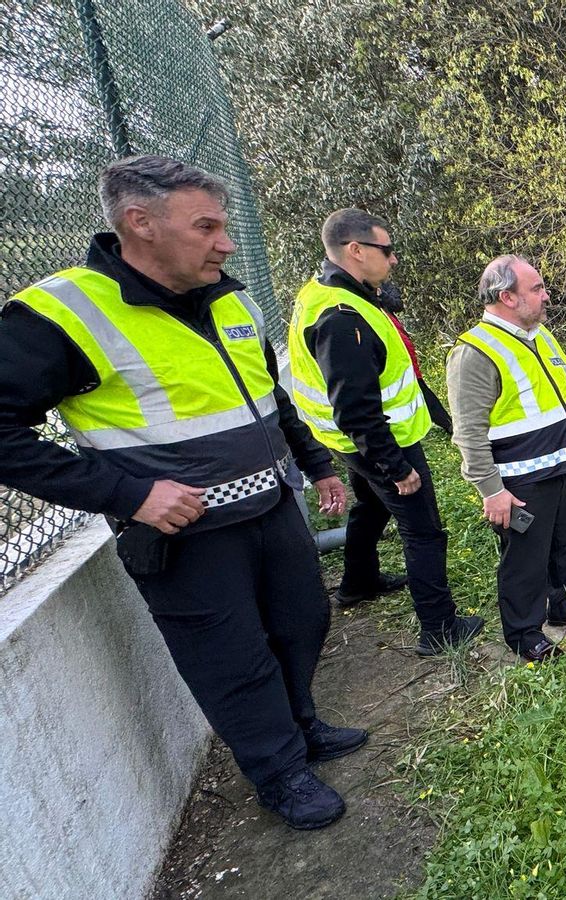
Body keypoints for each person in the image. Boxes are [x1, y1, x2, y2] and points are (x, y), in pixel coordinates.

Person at [0, 155, 365, 830]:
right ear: (140, 224)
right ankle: (280, 773)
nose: (225, 242)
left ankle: (302, 726)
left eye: (225, 227)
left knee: (302, 621)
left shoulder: (230, 296)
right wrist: (126, 494)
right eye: (207, 227)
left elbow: (268, 396)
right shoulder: (64, 311)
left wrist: (317, 466)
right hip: (181, 537)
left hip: (269, 505)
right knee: (234, 660)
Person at [285, 209, 483, 655]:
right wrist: (394, 466)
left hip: (353, 443)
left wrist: (446, 419)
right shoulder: (341, 317)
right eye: (386, 250)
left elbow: (394, 374)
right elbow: (355, 408)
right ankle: (438, 629)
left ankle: (358, 582)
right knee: (423, 531)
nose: (393, 260)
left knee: (371, 507)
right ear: (356, 250)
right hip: (380, 441)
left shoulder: (331, 293)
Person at [445, 255, 566, 663]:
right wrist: (490, 491)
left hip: (565, 464)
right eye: (536, 289)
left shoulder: (539, 335)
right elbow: (468, 433)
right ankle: (523, 632)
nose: (546, 295)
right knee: (525, 560)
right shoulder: (475, 353)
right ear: (507, 297)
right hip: (520, 480)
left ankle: (565, 608)